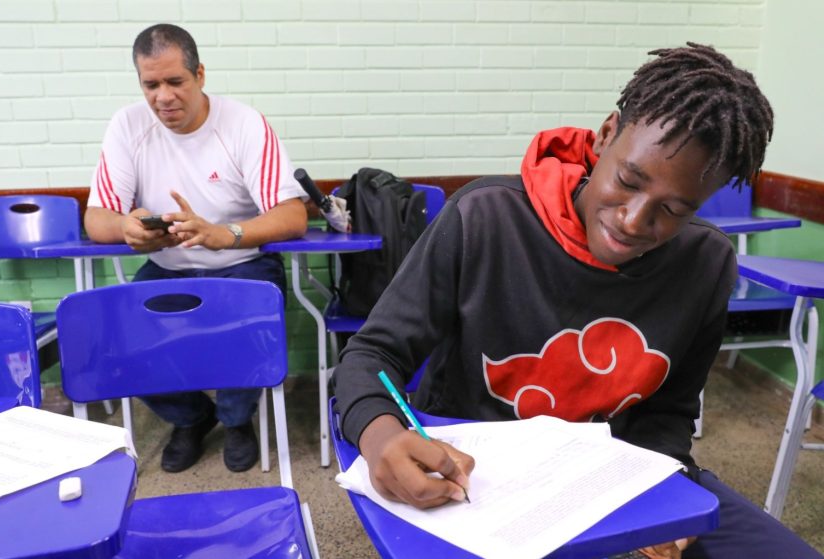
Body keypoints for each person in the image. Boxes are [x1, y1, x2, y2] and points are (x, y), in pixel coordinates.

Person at [333, 43, 822, 558]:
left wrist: (664, 483)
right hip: (476, 486)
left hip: (612, 484)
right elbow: (370, 355)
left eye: (675, 209)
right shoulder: (484, 219)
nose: (634, 220)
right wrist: (380, 434)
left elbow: (670, 414)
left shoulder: (705, 263)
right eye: (628, 180)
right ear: (606, 134)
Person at [85, 23, 308, 474]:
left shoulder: (244, 124)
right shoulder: (128, 125)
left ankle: (237, 419)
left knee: (246, 315)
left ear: (200, 74)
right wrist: (129, 228)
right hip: (167, 267)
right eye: (151, 84)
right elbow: (97, 219)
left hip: (241, 263)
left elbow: (293, 215)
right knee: (115, 339)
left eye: (175, 82)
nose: (163, 97)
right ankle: (192, 418)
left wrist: (226, 235)